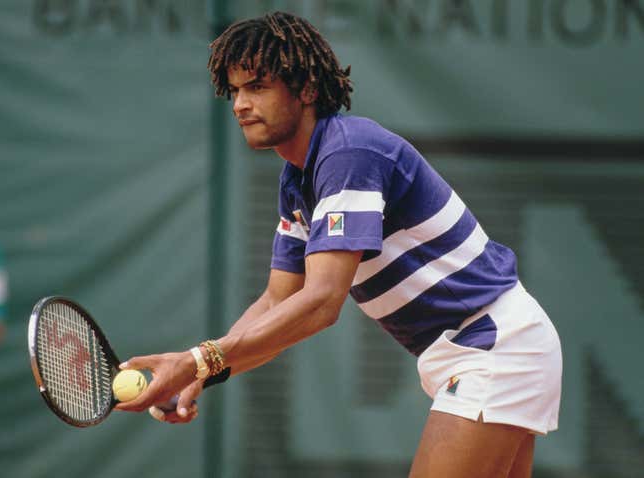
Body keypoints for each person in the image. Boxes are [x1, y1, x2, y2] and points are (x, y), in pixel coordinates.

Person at [116, 11, 562, 478]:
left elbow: (321, 303)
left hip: (493, 345)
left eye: (258, 87)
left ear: (306, 89)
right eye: (236, 91)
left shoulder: (350, 154)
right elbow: (276, 301)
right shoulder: (298, 181)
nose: (240, 105)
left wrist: (194, 362)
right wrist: (201, 373)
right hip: (476, 349)